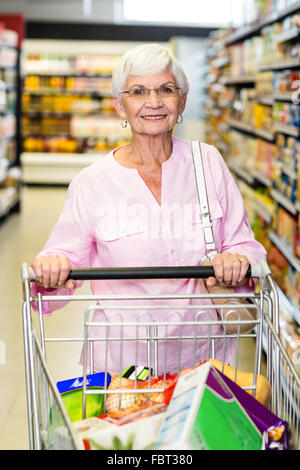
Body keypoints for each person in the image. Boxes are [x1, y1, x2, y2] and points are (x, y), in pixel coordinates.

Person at [31, 43, 266, 374]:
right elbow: (58, 264)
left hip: (201, 362)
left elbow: (245, 245)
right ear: (120, 106)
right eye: (138, 91)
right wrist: (52, 268)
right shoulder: (92, 183)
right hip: (120, 366)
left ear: (181, 101)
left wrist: (236, 259)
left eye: (165, 90)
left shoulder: (208, 163)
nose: (153, 102)